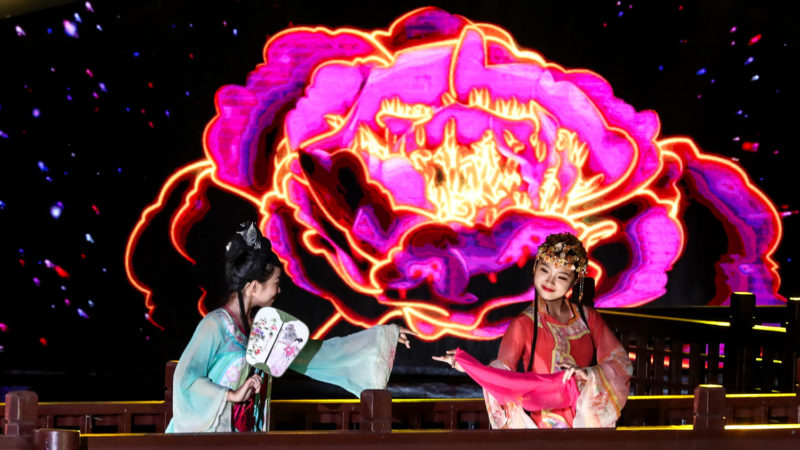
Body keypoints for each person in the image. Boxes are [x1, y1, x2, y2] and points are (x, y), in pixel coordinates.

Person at [167, 222, 414, 432]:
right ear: (254, 287)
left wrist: (384, 335)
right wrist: (230, 395)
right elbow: (184, 378)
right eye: (276, 283)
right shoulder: (215, 325)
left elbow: (319, 354)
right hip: (212, 434)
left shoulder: (264, 329)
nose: (279, 290)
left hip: (246, 435)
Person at [433, 232, 632, 428]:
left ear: (574, 280)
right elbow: (503, 373)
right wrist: (472, 368)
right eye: (545, 270)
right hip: (542, 424)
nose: (550, 281)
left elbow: (619, 361)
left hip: (584, 416)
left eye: (561, 276)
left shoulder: (588, 318)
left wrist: (590, 375)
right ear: (535, 268)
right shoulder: (524, 324)